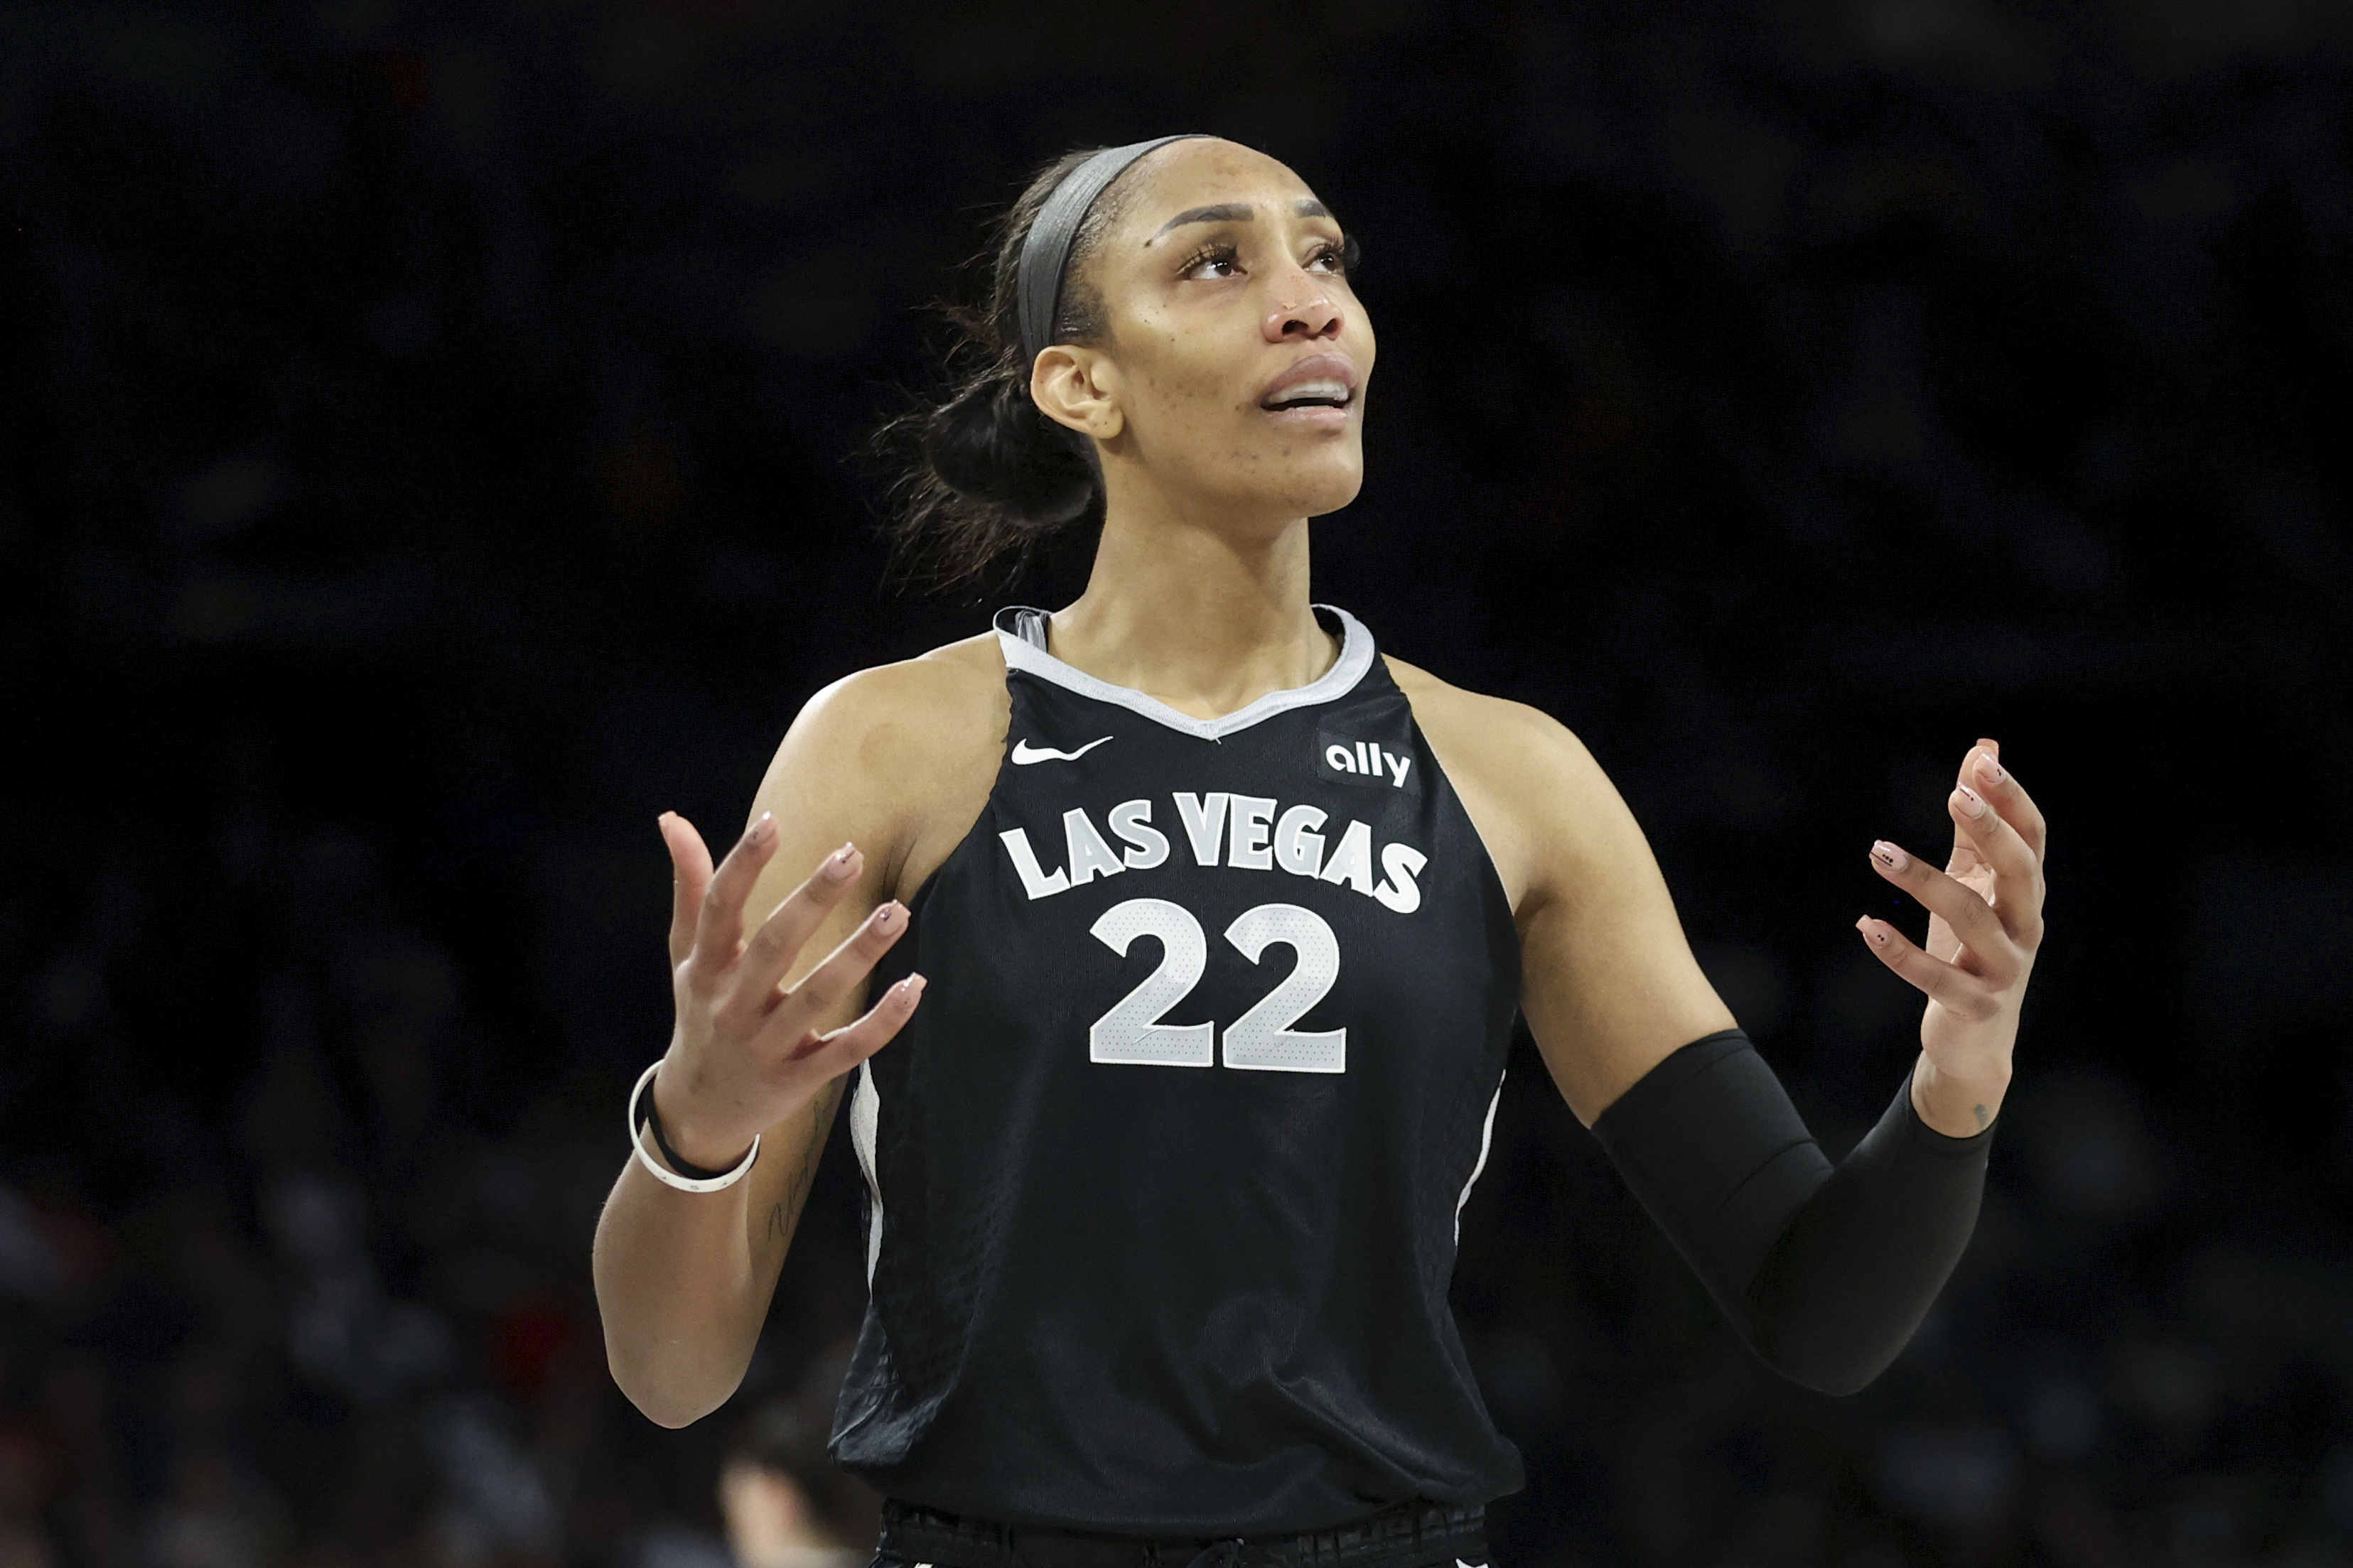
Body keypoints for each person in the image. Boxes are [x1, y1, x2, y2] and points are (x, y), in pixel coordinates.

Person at [591, 135, 2047, 1568]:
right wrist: (697, 1125)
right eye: (1217, 261)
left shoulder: (1515, 777)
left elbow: (1820, 1310)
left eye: (1328, 255)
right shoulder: (892, 743)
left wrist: (1958, 1078)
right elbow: (673, 1370)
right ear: (1079, 383)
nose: (1311, 298)